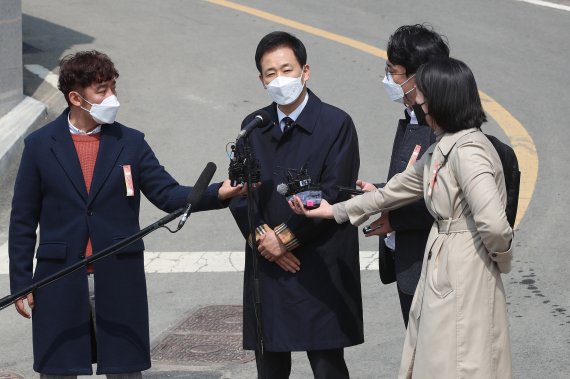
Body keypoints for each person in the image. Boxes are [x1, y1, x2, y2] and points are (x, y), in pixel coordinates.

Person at [9, 50, 244, 378]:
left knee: (125, 370)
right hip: (58, 278)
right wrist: (22, 281)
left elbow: (166, 193)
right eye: (102, 90)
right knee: (58, 371)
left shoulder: (130, 142)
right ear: (76, 98)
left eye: (113, 88)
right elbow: (22, 219)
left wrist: (217, 192)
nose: (112, 97)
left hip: (119, 277)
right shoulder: (39, 145)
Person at [290, 57, 513, 378]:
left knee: (464, 361)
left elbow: (493, 224)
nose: (419, 107)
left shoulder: (469, 151)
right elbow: (395, 190)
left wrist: (501, 260)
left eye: (423, 100)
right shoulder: (444, 147)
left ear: (443, 102)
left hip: (466, 266)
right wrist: (333, 210)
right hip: (446, 263)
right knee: (440, 359)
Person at [228, 31, 363, 379]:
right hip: (268, 265)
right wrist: (264, 239)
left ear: (305, 71)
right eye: (270, 73)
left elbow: (335, 191)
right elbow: (240, 191)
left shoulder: (336, 124)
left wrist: (285, 238)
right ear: (261, 80)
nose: (279, 79)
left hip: (320, 260)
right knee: (270, 365)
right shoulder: (253, 126)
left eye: (286, 69)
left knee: (327, 363)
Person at [356, 24, 449, 327]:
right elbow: (411, 182)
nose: (388, 79)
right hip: (408, 262)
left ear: (417, 77)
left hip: (430, 265)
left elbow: (442, 198)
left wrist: (393, 218)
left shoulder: (441, 128)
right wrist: (379, 191)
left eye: (393, 71)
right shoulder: (413, 117)